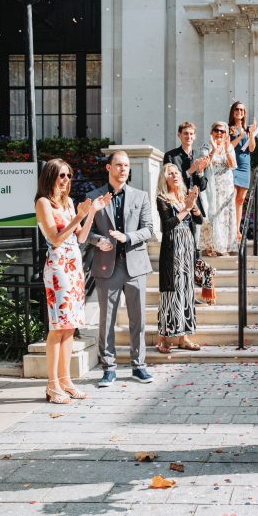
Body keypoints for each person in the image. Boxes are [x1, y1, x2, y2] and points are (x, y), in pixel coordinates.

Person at [35, 159, 110, 403]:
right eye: (62, 175)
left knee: (69, 329)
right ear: (51, 177)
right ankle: (51, 385)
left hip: (74, 266)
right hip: (57, 268)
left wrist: (91, 213)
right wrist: (78, 216)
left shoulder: (67, 203)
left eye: (69, 175)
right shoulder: (43, 203)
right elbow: (56, 239)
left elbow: (81, 238)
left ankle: (66, 380)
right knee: (57, 327)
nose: (66, 179)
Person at [87, 150, 155, 387]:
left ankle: (139, 366)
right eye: (118, 165)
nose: (123, 169)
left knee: (138, 319)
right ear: (109, 168)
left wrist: (128, 236)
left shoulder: (141, 196)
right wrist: (98, 240)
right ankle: (109, 368)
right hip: (107, 266)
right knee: (107, 320)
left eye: (126, 165)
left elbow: (149, 229)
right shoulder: (93, 197)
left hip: (135, 265)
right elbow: (85, 232)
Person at [155, 164, 203, 354]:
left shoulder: (185, 196)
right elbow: (167, 225)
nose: (174, 176)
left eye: (176, 173)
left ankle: (184, 338)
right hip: (172, 248)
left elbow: (199, 221)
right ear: (164, 178)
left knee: (187, 290)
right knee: (171, 292)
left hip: (187, 247)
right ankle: (164, 337)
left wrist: (194, 207)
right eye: (170, 173)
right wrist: (186, 209)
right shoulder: (162, 198)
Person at [163, 121, 209, 260]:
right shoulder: (171, 156)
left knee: (195, 241)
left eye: (191, 134)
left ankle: (194, 270)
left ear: (194, 136)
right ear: (179, 135)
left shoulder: (198, 157)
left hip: (195, 204)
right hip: (176, 203)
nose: (188, 136)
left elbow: (203, 186)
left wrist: (200, 172)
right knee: (179, 240)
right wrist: (190, 171)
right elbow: (168, 180)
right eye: (185, 133)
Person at [201, 121, 239, 256]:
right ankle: (212, 247)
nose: (219, 133)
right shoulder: (206, 146)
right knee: (212, 213)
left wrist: (227, 149)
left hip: (226, 186)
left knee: (225, 215)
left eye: (222, 131)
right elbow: (205, 164)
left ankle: (225, 246)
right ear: (211, 132)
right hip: (212, 185)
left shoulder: (229, 147)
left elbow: (232, 164)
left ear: (226, 134)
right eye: (217, 130)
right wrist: (213, 148)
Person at [229, 101, 257, 241]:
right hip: (234, 164)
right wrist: (240, 136)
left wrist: (250, 134)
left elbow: (251, 148)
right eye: (237, 109)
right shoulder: (230, 129)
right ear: (233, 111)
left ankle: (238, 229)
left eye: (242, 110)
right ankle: (232, 229)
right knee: (232, 198)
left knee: (240, 200)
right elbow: (229, 146)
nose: (239, 112)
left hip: (245, 165)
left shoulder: (247, 129)